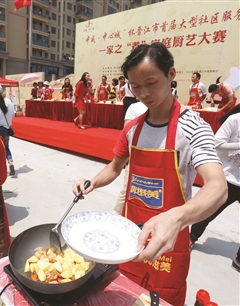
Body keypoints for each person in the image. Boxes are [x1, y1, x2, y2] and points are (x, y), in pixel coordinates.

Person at [73, 42, 227, 306]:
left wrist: (177, 218)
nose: (143, 93)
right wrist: (91, 182)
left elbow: (218, 187)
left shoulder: (193, 127)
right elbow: (114, 167)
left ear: (171, 75)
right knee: (125, 294)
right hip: (130, 236)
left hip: (168, 241)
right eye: (135, 85)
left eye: (150, 82)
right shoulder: (133, 127)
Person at [189, 112, 240, 269]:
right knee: (208, 212)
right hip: (229, 178)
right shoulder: (235, 119)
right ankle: (191, 237)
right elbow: (216, 143)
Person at [113, 101, 147, 214]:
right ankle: (116, 216)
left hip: (156, 159)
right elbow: (127, 131)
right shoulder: (134, 107)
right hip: (136, 158)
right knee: (127, 190)